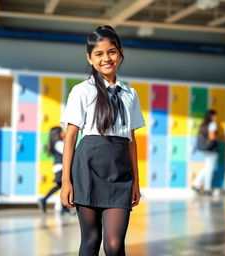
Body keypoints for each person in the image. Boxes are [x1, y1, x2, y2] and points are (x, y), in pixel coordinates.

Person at [60, 25, 145, 256]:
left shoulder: (130, 94)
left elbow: (131, 140)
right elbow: (71, 138)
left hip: (120, 173)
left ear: (120, 52)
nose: (106, 58)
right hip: (88, 169)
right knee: (91, 240)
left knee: (114, 245)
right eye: (98, 54)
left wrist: (136, 181)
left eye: (111, 52)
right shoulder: (81, 91)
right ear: (89, 58)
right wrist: (66, 181)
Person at [38, 126, 73, 215]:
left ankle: (62, 208)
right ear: (58, 134)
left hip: (58, 167)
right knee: (63, 186)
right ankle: (63, 209)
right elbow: (67, 153)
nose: (64, 133)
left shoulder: (57, 143)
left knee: (60, 187)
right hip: (61, 168)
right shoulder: (59, 143)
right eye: (62, 132)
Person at [192, 110, 219, 196]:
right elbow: (212, 137)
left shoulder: (204, 124)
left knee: (208, 168)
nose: (216, 117)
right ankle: (207, 189)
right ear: (212, 116)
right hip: (211, 148)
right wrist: (221, 138)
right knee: (210, 169)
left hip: (205, 149)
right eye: (215, 115)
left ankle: (196, 184)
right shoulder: (212, 124)